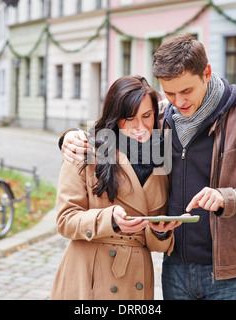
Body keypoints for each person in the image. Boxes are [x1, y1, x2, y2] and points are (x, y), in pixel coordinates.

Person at [59, 34, 236, 300]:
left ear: (206, 73)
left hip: (233, 272)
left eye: (186, 91)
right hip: (175, 266)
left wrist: (227, 197)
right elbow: (113, 128)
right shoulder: (158, 115)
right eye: (170, 92)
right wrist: (70, 137)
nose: (179, 101)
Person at [50, 75, 183, 300]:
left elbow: (156, 241)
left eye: (147, 116)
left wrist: (160, 231)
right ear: (115, 116)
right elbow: (65, 221)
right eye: (129, 118)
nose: (140, 127)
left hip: (136, 280)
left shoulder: (163, 157)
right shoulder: (86, 149)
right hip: (90, 277)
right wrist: (109, 219)